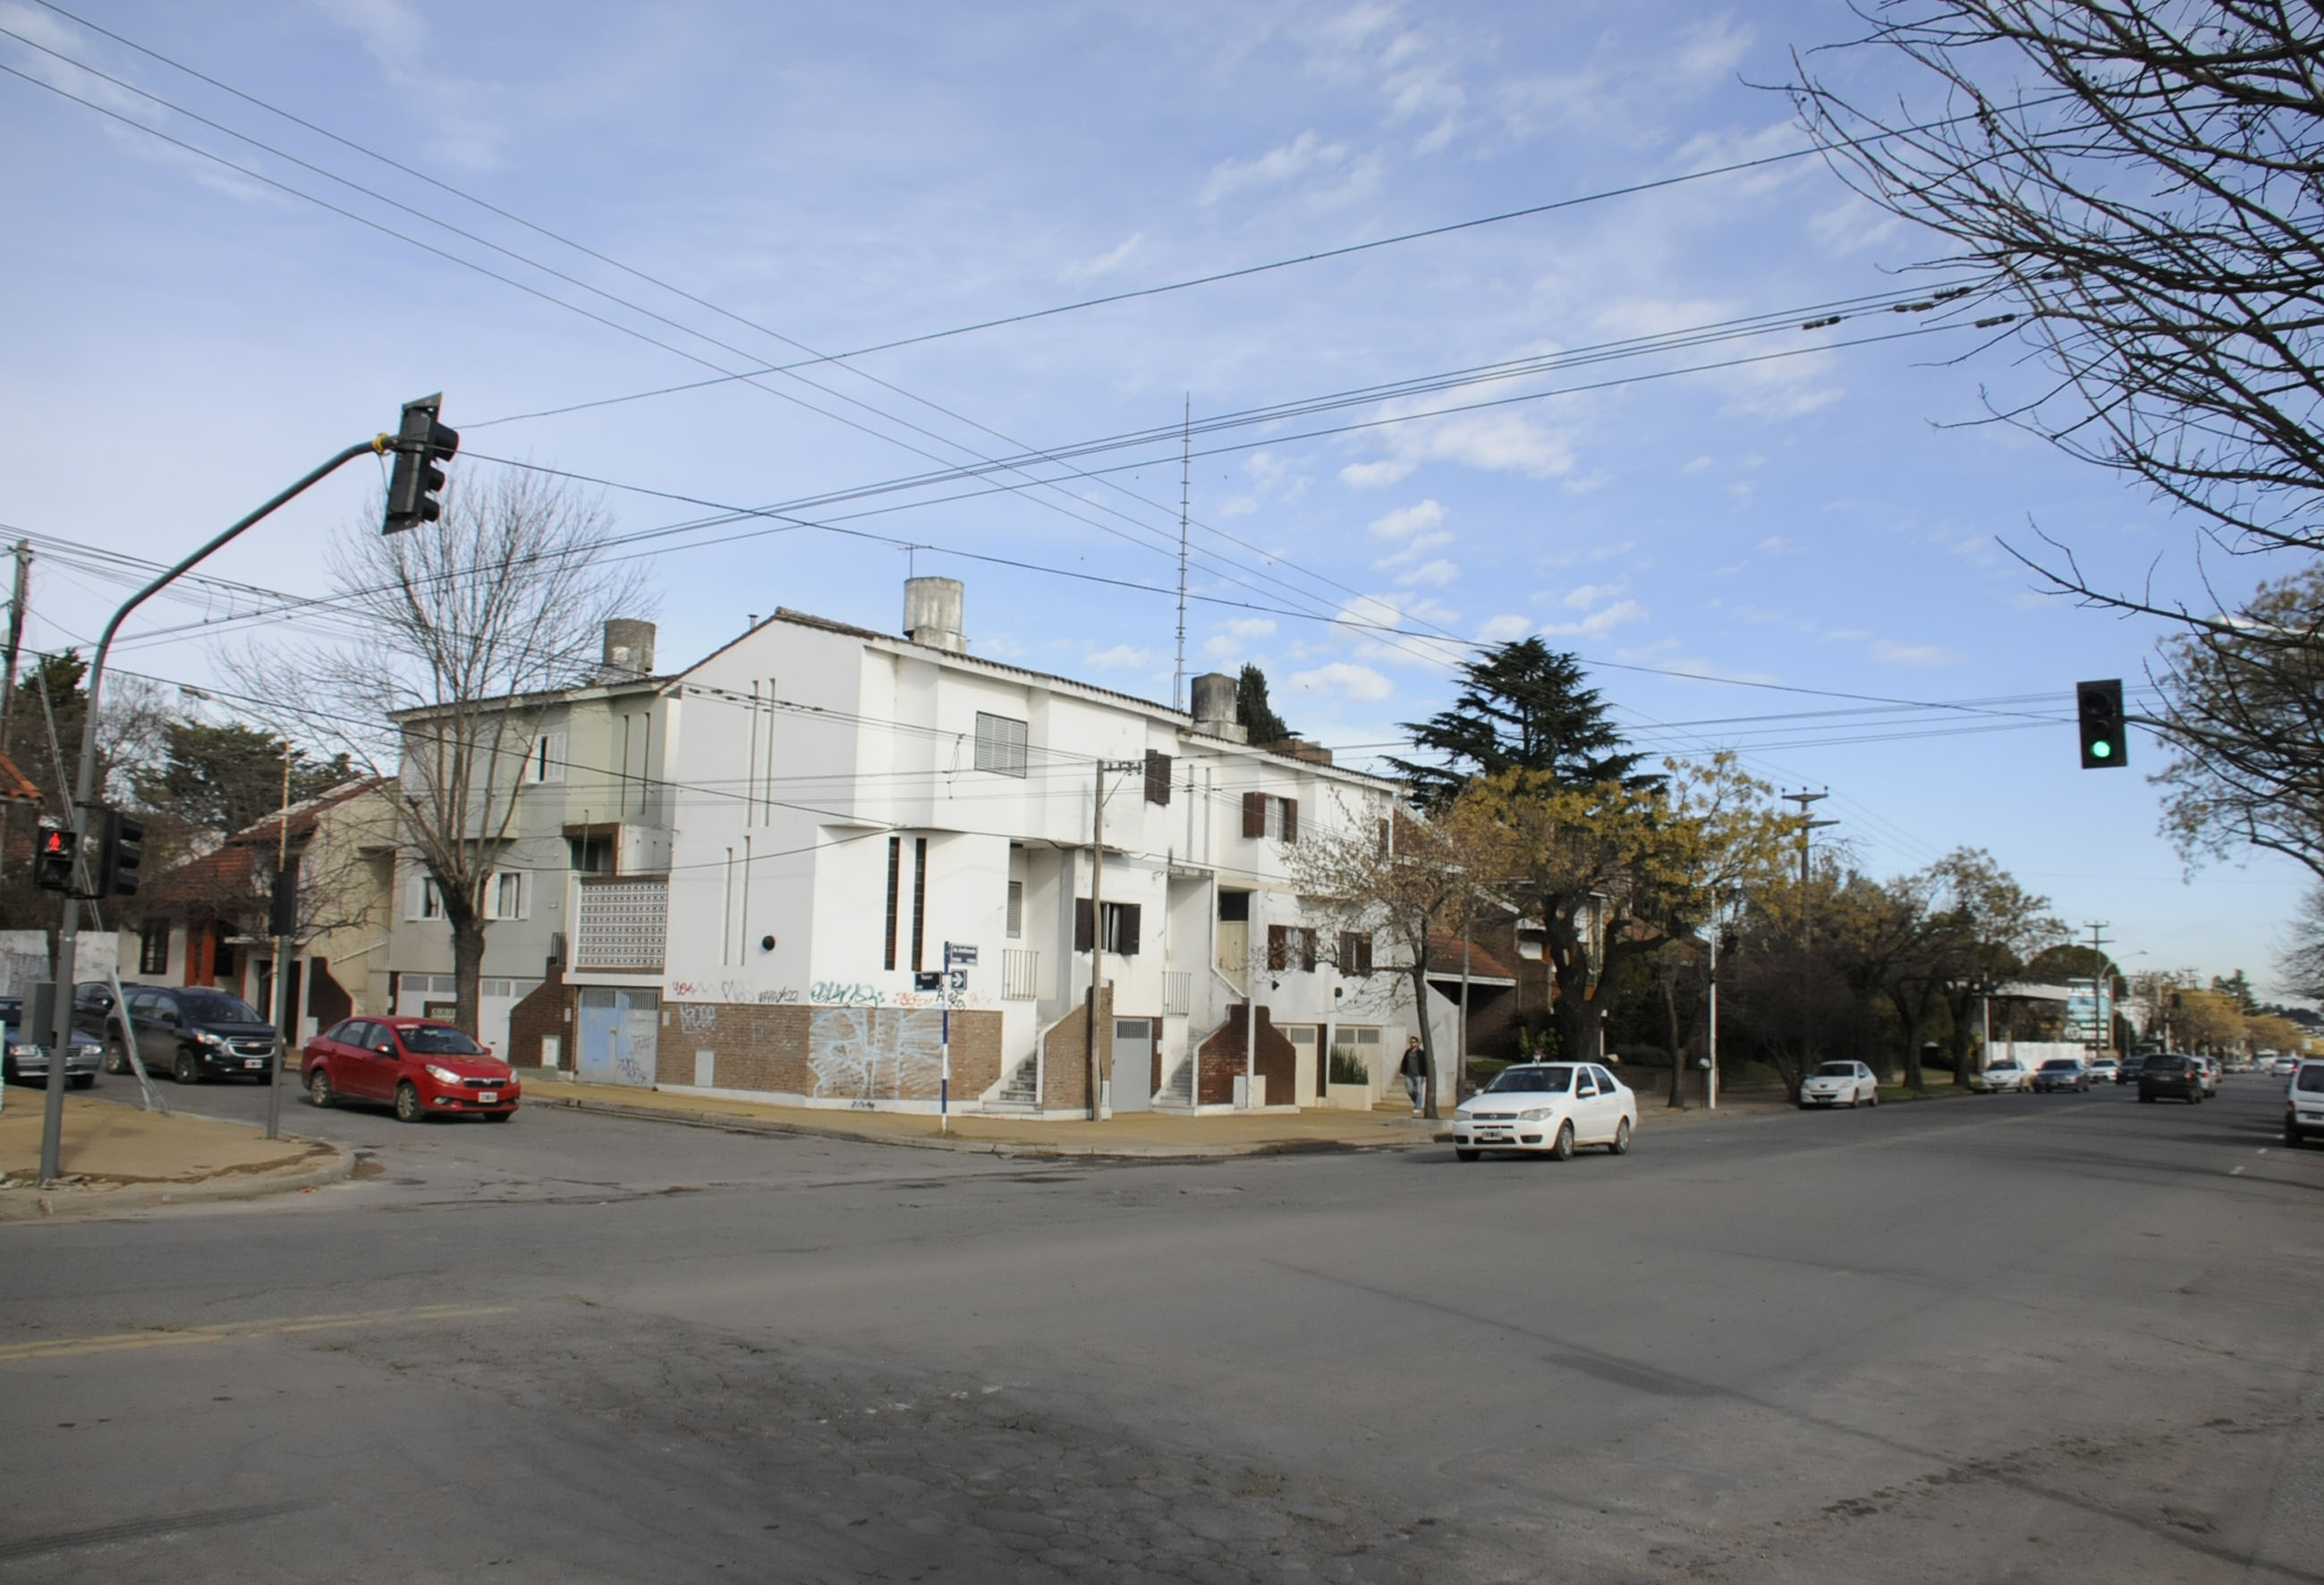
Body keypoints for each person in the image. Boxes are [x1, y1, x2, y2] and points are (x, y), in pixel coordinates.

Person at [1399, 1036, 1429, 1115]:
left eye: (1414, 1042)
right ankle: (1417, 1102)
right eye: (1411, 1042)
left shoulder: (1421, 1053)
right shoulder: (1408, 1052)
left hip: (1419, 1075)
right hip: (1409, 1075)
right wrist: (1402, 1071)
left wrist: (1425, 1075)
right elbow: (1404, 1062)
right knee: (1409, 1090)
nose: (1412, 1044)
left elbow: (1424, 1064)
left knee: (1419, 1091)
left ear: (1417, 1043)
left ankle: (1418, 1107)